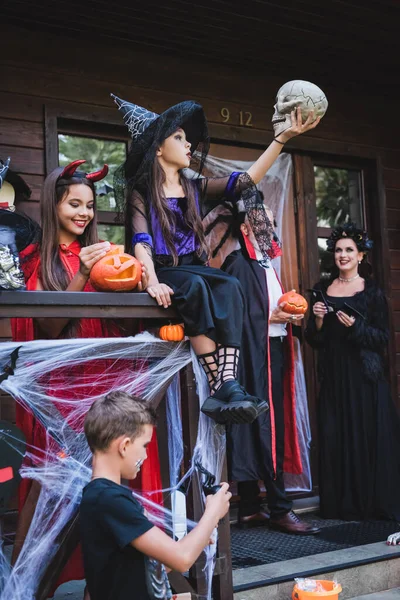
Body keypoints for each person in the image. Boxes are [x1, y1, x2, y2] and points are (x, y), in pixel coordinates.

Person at [112, 93, 320, 424]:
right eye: (178, 138)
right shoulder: (143, 194)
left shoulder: (194, 189)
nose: (188, 144)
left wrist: (281, 139)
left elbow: (246, 181)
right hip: (167, 271)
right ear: (158, 149)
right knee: (193, 285)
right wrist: (151, 280)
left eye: (187, 138)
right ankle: (221, 383)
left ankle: (226, 381)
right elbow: (141, 242)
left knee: (230, 285)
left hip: (194, 268)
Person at [8, 160, 157, 594]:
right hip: (61, 393)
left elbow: (120, 326)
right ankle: (28, 584)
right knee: (49, 490)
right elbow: (50, 326)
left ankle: (101, 584)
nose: (84, 213)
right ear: (54, 206)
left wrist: (142, 285)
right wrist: (82, 273)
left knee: (103, 490)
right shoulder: (35, 259)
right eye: (75, 203)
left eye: (90, 205)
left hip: (105, 386)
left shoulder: (108, 256)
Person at [221, 199, 319, 534]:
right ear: (246, 229)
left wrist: (285, 316)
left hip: (272, 351)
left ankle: (250, 506)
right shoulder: (237, 264)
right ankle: (279, 508)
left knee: (266, 423)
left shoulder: (267, 265)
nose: (270, 230)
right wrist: (270, 317)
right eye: (262, 224)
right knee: (263, 427)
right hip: (251, 357)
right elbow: (231, 314)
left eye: (272, 224)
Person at [80, 390, 232, 600]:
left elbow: (146, 567)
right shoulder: (109, 499)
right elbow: (182, 559)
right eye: (144, 446)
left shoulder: (100, 496)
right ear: (124, 446)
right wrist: (212, 513)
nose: (145, 454)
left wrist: (198, 536)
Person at [305, 223, 400, 521]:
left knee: (367, 438)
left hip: (364, 378)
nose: (342, 255)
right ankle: (342, 507)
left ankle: (371, 505)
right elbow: (315, 341)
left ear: (360, 255)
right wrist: (318, 322)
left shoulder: (372, 293)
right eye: (338, 250)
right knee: (337, 437)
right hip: (334, 377)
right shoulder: (322, 290)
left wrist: (356, 327)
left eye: (349, 250)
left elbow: (382, 338)